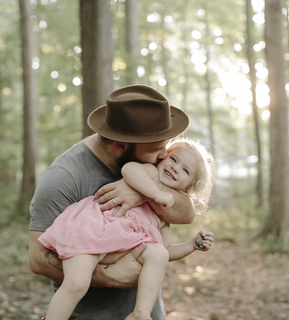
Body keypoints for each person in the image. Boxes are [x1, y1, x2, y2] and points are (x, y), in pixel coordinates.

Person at [29, 84, 197, 319]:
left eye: (165, 146)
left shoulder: (156, 167)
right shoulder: (63, 178)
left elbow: (186, 212)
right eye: (156, 149)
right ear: (121, 145)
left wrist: (143, 192)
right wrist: (109, 275)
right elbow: (38, 259)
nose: (163, 156)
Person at [38, 138, 216, 320]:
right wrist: (154, 194)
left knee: (158, 254)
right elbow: (129, 170)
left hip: (119, 247)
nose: (175, 168)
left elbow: (167, 250)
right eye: (173, 159)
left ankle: (140, 313)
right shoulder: (151, 172)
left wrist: (191, 245)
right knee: (76, 283)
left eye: (185, 170)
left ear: (188, 187)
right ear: (162, 158)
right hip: (94, 231)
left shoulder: (163, 216)